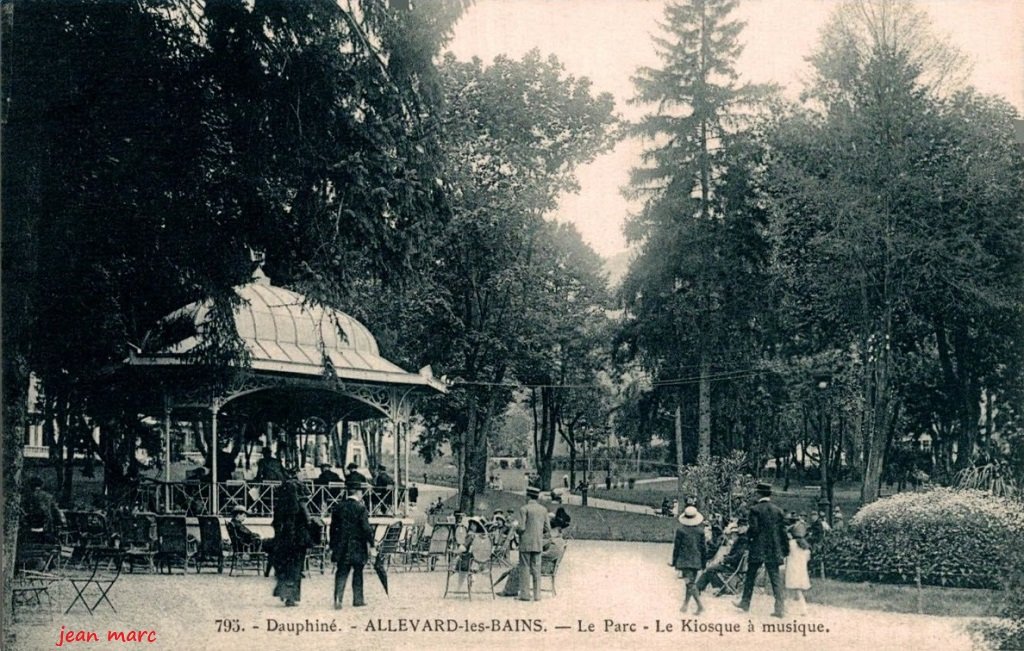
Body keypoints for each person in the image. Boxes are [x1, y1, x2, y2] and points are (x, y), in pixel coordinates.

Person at [735, 482, 788, 618]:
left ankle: (745, 603)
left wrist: (748, 541)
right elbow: (783, 532)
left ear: (759, 494)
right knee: (775, 579)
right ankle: (780, 608)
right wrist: (785, 549)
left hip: (758, 548)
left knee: (750, 576)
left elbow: (754, 530)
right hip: (773, 549)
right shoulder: (778, 511)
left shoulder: (755, 510)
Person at [330, 473, 375, 609]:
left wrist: (332, 545)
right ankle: (358, 599)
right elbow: (366, 529)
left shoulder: (338, 507)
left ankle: (338, 599)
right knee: (358, 573)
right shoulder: (361, 508)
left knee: (341, 572)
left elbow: (333, 529)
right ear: (358, 492)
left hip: (342, 546)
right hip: (357, 547)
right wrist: (371, 544)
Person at [271, 480, 314, 607]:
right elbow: (308, 521)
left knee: (285, 567)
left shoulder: (279, 506)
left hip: (283, 541)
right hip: (298, 541)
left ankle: (283, 592)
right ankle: (292, 597)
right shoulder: (300, 505)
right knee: (296, 568)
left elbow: (276, 524)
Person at [694, 517, 749, 594]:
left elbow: (737, 556)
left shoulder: (743, 540)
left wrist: (725, 559)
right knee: (710, 569)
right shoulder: (744, 539)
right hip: (735, 565)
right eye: (739, 526)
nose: (739, 528)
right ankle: (698, 588)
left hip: (733, 566)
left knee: (710, 569)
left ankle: (720, 588)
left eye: (742, 526)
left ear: (746, 527)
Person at [516, 485, 550, 601]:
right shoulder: (543, 510)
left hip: (525, 543)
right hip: (538, 543)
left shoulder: (524, 509)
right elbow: (547, 528)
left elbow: (521, 527)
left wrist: (516, 528)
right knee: (536, 569)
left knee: (525, 568)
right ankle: (537, 595)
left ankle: (525, 595)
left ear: (528, 496)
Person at [671, 506, 707, 615]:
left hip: (685, 561)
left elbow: (676, 547)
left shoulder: (680, 530)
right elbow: (703, 548)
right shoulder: (700, 531)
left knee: (689, 584)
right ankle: (685, 605)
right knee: (690, 583)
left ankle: (700, 606)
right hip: (696, 561)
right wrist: (703, 562)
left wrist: (674, 561)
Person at [21, 476, 65, 543]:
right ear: (41, 485)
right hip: (47, 526)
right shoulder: (49, 497)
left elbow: (24, 512)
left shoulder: (26, 497)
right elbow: (56, 511)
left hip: (31, 527)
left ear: (30, 486)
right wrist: (61, 523)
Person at [785, 521, 812, 615]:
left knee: (792, 590)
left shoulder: (791, 543)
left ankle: (793, 609)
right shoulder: (805, 546)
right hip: (801, 571)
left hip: (793, 570)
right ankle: (792, 608)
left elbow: (786, 552)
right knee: (797, 591)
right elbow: (807, 558)